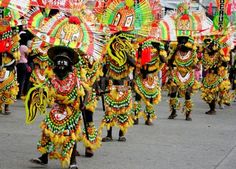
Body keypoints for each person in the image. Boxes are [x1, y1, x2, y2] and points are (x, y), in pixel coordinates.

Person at [167, 3, 200, 121]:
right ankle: (174, 111)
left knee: (187, 94)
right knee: (173, 92)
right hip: (176, 73)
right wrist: (175, 51)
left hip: (188, 74)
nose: (182, 43)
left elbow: (196, 65)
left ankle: (188, 114)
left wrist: (194, 65)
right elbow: (169, 62)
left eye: (184, 41)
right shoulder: (175, 50)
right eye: (180, 40)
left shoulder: (192, 52)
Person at [132, 38, 167, 125]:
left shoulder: (158, 52)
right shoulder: (141, 50)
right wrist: (134, 77)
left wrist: (159, 49)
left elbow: (164, 61)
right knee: (137, 97)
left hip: (152, 78)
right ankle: (135, 117)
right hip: (141, 77)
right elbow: (136, 64)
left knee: (151, 98)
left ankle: (148, 118)